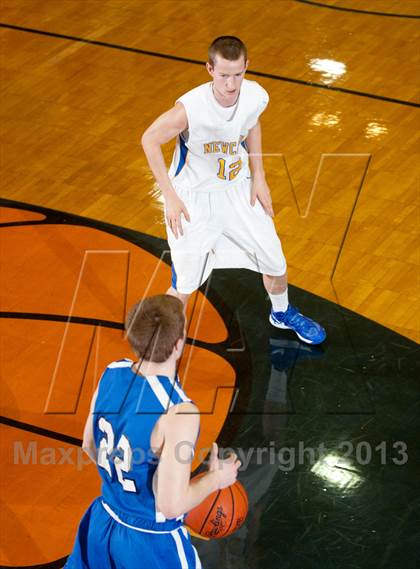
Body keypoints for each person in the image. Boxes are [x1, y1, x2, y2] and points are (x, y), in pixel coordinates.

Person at [141, 36, 326, 345]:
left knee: (276, 261)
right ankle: (167, 346)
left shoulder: (254, 96)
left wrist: (259, 175)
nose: (231, 83)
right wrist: (170, 196)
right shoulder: (189, 109)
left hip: (237, 191)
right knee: (185, 284)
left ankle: (280, 313)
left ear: (246, 67)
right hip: (194, 199)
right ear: (210, 69)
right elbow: (149, 140)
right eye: (224, 74)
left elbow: (252, 124)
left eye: (237, 74)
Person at [65, 295, 240, 569]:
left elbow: (89, 444)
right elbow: (171, 505)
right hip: (149, 543)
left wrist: (125, 483)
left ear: (133, 338)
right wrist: (217, 479)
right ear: (180, 343)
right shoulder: (178, 412)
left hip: (103, 521)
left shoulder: (111, 372)